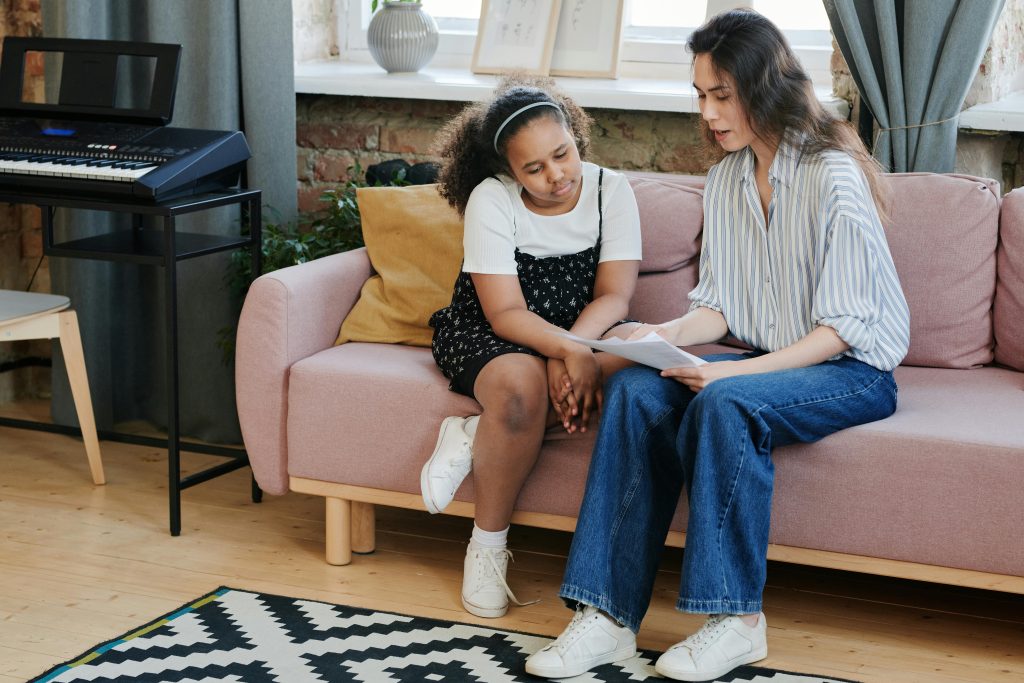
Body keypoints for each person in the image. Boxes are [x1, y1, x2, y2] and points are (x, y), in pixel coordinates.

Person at [525, 9, 910, 681]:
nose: (707, 112)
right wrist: (658, 337)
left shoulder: (832, 175)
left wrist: (736, 376)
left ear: (763, 87)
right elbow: (721, 305)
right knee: (640, 388)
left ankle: (736, 621)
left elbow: (842, 328)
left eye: (720, 95)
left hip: (852, 366)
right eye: (700, 95)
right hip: (776, 357)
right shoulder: (729, 178)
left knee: (724, 405)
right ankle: (608, 618)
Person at [422, 76, 643, 619]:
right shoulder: (491, 200)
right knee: (520, 388)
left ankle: (475, 433)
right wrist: (568, 354)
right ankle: (487, 548)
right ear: (508, 171)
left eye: (561, 155)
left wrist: (575, 350)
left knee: (641, 346)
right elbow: (505, 313)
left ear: (575, 139)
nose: (555, 176)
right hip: (490, 332)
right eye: (534, 169)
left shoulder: (610, 190)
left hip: (583, 332)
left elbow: (615, 296)